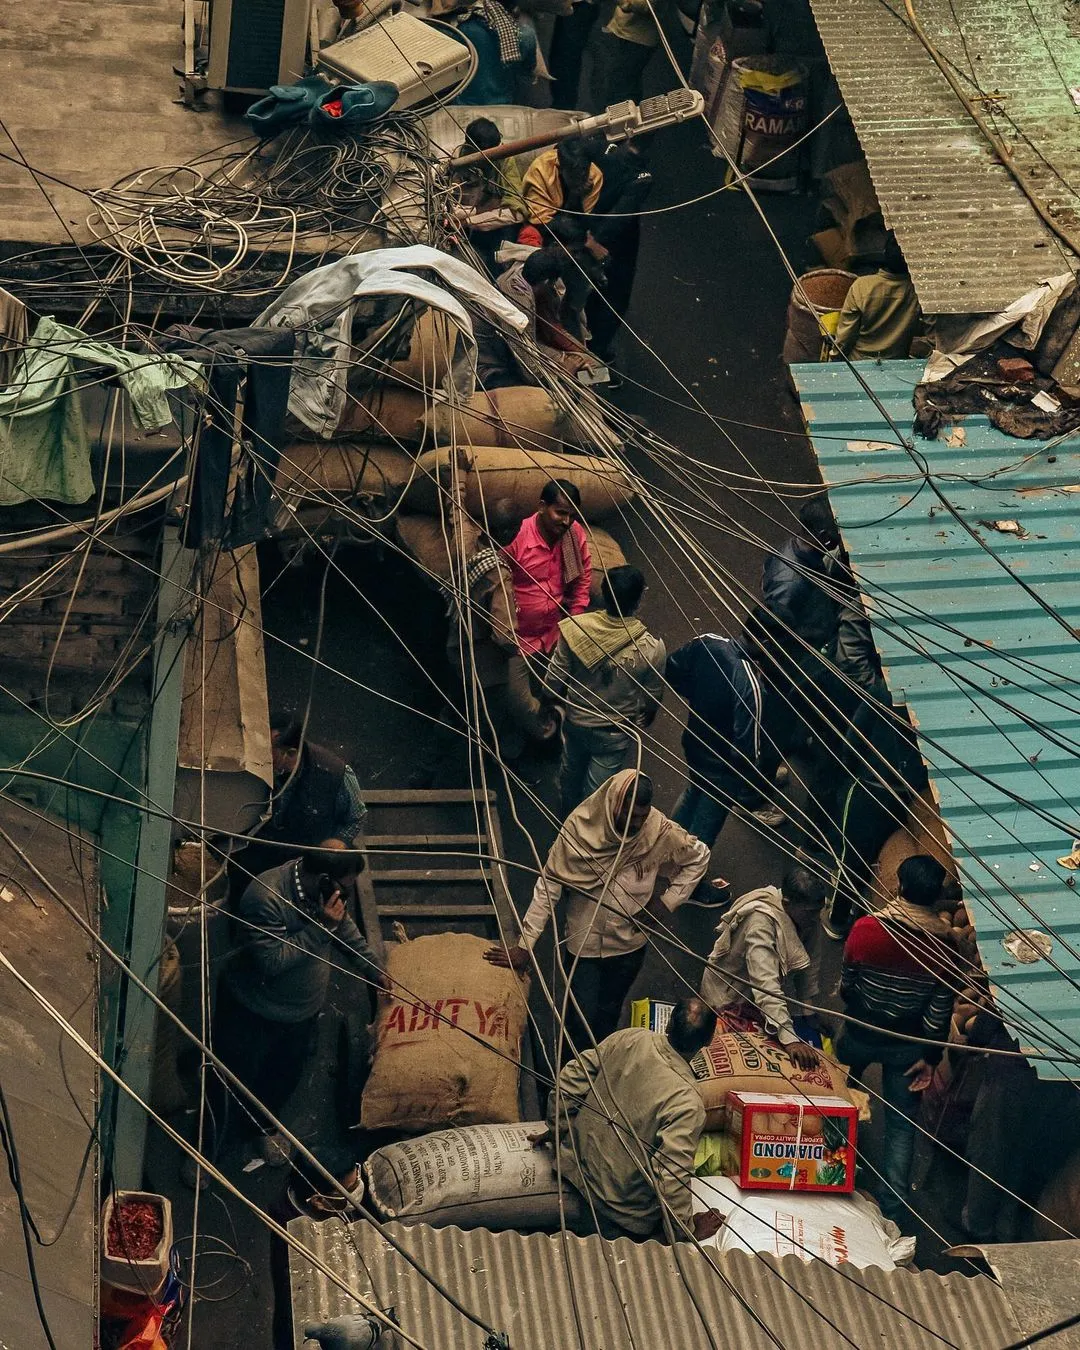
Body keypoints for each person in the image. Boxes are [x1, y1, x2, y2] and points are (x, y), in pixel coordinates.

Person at [484, 771, 708, 1049]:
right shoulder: (580, 831)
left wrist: (667, 902)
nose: (637, 826)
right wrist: (525, 944)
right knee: (578, 1020)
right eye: (629, 817)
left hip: (629, 946)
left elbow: (699, 857)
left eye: (642, 817)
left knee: (608, 1015)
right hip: (584, 948)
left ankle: (597, 1066)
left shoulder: (657, 830)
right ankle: (569, 1073)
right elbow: (549, 886)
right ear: (614, 805)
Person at [204, 842, 386, 1170]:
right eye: (344, 887)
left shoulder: (328, 895)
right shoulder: (266, 896)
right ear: (326, 878)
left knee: (282, 1078)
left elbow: (348, 933)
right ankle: (206, 1150)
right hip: (253, 1010)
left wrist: (377, 973)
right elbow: (272, 961)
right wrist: (322, 927)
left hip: (300, 1013)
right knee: (228, 1082)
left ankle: (263, 1128)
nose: (346, 895)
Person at [538, 997, 722, 1239]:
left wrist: (560, 1131)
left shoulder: (632, 1037)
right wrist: (685, 1230)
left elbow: (569, 1081)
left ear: (667, 1025)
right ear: (707, 1042)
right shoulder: (688, 1102)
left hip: (573, 1172)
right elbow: (671, 1176)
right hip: (616, 1213)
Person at [837, 853, 957, 1223]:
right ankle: (893, 1212)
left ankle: (832, 1166)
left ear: (901, 886)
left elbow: (848, 984)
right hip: (908, 1045)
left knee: (836, 1095)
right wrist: (932, 1056)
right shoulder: (945, 947)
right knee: (901, 1127)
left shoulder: (866, 929)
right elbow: (939, 1011)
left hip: (859, 1030)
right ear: (936, 898)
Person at [545, 565, 665, 814]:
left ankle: (566, 822)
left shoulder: (574, 629)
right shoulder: (651, 648)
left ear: (603, 593)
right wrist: (648, 713)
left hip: (576, 722)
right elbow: (652, 698)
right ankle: (585, 833)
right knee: (597, 794)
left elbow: (553, 680)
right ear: (639, 599)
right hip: (614, 734)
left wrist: (549, 707)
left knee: (570, 775)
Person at [665, 624, 775, 890]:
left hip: (694, 744)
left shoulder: (708, 642)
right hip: (723, 766)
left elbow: (673, 668)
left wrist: (699, 701)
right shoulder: (750, 684)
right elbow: (748, 750)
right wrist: (744, 779)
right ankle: (686, 885)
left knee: (693, 792)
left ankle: (664, 851)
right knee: (706, 826)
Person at [819, 692, 929, 940]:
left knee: (851, 857)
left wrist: (849, 773)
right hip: (907, 799)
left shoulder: (882, 692)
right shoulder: (939, 703)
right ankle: (862, 910)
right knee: (877, 854)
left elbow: (853, 741)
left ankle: (837, 918)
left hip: (869, 788)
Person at [699, 867, 828, 1068]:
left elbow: (810, 965)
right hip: (728, 997)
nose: (816, 918)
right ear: (787, 904)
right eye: (811, 912)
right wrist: (790, 1038)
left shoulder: (808, 918)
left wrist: (807, 1009)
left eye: (819, 911)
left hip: (757, 1001)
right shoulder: (761, 924)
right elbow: (765, 985)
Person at [269, 1146, 361, 1350]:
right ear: (319, 1201)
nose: (358, 1191)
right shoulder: (293, 1243)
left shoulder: (315, 1198)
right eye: (349, 1190)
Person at [585, 139, 654, 372]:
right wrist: (595, 243)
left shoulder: (600, 149)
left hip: (584, 227)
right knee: (613, 298)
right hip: (612, 245)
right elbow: (620, 218)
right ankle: (595, 355)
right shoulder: (640, 177)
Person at [504, 478, 592, 659]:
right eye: (560, 513)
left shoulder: (574, 533)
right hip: (519, 642)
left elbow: (583, 576)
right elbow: (496, 586)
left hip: (556, 633)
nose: (567, 521)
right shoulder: (517, 538)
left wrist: (574, 620)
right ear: (542, 507)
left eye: (572, 516)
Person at [497, 248, 603, 379]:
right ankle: (585, 394)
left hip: (529, 345)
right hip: (503, 357)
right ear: (547, 282)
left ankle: (594, 380)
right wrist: (565, 368)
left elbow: (549, 331)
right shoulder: (520, 306)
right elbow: (528, 367)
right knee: (591, 368)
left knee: (591, 362)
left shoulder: (518, 274)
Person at [450, 117, 528, 274]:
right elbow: (448, 205)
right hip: (461, 223)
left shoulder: (505, 159)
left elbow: (517, 211)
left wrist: (469, 221)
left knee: (499, 260)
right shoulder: (454, 159)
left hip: (492, 229)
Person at [834, 233, 921, 362]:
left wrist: (833, 360)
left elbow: (845, 337)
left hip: (858, 364)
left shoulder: (862, 286)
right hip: (897, 363)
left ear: (884, 253)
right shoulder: (917, 290)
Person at [455, 0, 538, 107]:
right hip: (505, 107)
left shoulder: (464, 31)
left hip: (465, 108)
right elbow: (527, 74)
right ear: (515, 9)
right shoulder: (526, 36)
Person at [591, 0, 665, 110]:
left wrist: (625, 2)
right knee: (622, 86)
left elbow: (645, 5)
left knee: (620, 93)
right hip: (625, 30)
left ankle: (622, 125)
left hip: (638, 39)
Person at [521, 141, 603, 229]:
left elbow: (584, 223)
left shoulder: (594, 175)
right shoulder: (541, 170)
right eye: (575, 172)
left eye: (584, 169)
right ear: (560, 168)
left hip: (573, 225)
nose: (582, 176)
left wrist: (577, 196)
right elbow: (539, 221)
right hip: (542, 226)